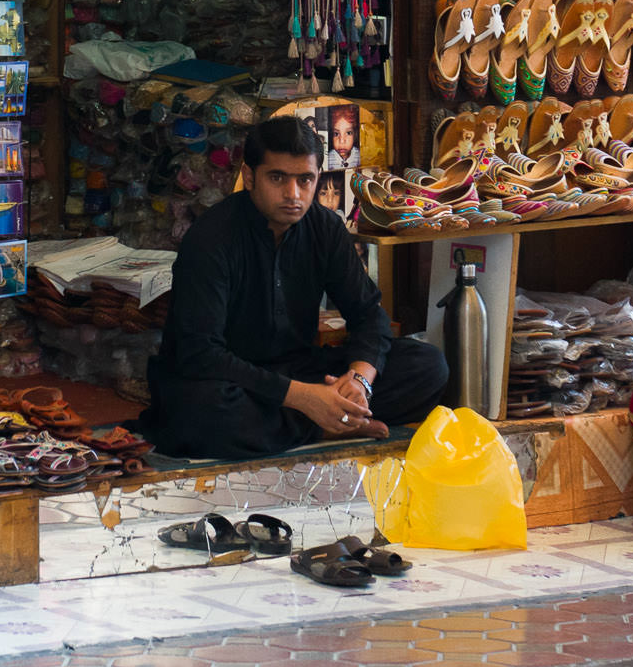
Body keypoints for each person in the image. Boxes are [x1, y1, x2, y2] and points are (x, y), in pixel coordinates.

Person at [141, 116, 448, 459]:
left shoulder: (325, 229)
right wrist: (305, 399)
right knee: (197, 413)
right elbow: (200, 354)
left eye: (305, 180)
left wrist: (359, 381)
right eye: (277, 178)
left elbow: (369, 316)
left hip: (299, 371)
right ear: (249, 177)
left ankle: (324, 418)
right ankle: (326, 424)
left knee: (428, 365)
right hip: (230, 381)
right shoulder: (211, 239)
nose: (293, 194)